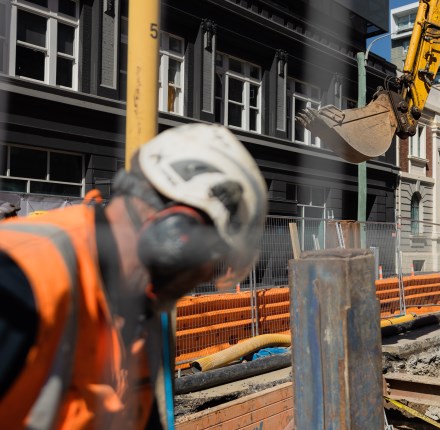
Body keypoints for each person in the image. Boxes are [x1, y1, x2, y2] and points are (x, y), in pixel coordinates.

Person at [0, 124, 267, 429]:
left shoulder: (139, 310)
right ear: (176, 230)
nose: (205, 274)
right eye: (211, 256)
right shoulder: (21, 279)